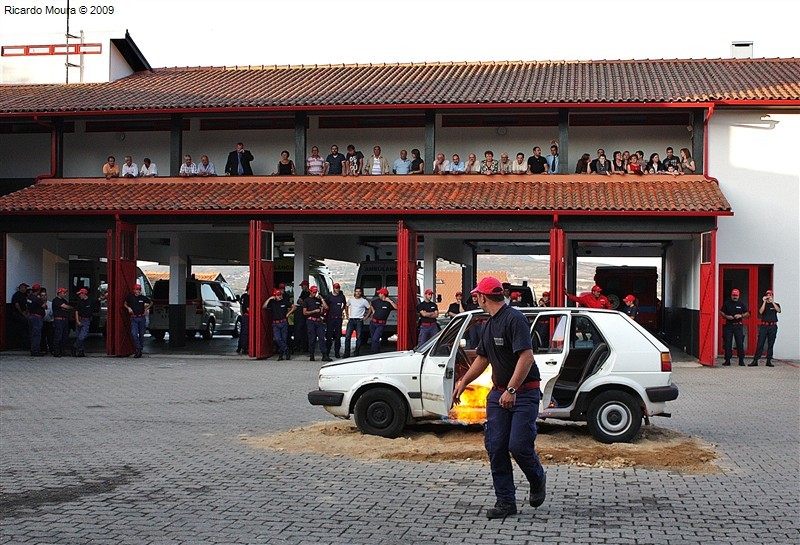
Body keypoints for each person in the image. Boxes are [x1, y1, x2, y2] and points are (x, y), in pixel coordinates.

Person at [452, 276, 546, 519]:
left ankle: (537, 478)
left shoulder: (514, 319)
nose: (476, 299)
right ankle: (506, 502)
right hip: (498, 394)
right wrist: (464, 382)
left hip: (524, 393)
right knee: (496, 446)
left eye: (477, 296)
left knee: (519, 446)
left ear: (483, 297)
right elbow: (482, 359)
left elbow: (526, 357)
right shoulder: (489, 324)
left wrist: (512, 390)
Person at [749, 289, 781, 367]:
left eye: (770, 295)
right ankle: (755, 360)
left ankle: (769, 360)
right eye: (767, 295)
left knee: (771, 343)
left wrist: (772, 302)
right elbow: (760, 311)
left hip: (773, 326)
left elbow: (779, 310)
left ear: (772, 296)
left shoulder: (776, 304)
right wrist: (764, 302)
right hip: (764, 326)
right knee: (760, 342)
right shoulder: (764, 305)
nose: (768, 296)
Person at [719, 288, 750, 366]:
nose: (734, 297)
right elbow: (721, 312)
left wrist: (741, 315)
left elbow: (747, 314)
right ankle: (727, 360)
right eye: (733, 295)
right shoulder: (727, 304)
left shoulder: (741, 304)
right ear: (731, 295)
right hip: (729, 325)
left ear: (738, 296)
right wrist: (726, 316)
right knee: (727, 343)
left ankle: (741, 360)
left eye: (736, 295)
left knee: (739, 343)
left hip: (738, 325)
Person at [263, 288, 296, 360]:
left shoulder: (284, 302)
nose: (280, 296)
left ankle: (281, 355)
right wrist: (269, 299)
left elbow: (294, 307)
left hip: (283, 322)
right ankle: (287, 350)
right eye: (278, 295)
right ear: (275, 296)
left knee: (284, 339)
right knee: (278, 339)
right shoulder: (272, 303)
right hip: (276, 324)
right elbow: (264, 306)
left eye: (280, 294)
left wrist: (288, 314)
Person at [124, 283, 152, 358]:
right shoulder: (130, 297)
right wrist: (128, 308)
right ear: (134, 290)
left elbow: (151, 302)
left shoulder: (143, 298)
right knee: (134, 333)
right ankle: (138, 348)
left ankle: (139, 349)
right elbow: (125, 304)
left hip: (142, 318)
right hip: (133, 318)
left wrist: (146, 309)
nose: (138, 291)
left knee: (142, 335)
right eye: (136, 289)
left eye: (139, 289)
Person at [343, 287, 372, 358]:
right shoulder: (351, 300)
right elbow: (346, 306)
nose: (358, 293)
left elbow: (370, 308)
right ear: (354, 292)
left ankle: (357, 352)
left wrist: (366, 317)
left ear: (361, 293)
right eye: (356, 291)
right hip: (351, 320)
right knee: (347, 337)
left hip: (359, 320)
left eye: (359, 292)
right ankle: (347, 353)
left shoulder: (364, 301)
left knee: (358, 337)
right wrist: (347, 315)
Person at [303, 285, 330, 361]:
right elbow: (304, 312)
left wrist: (321, 299)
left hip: (318, 321)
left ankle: (324, 355)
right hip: (311, 320)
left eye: (316, 292)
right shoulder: (307, 300)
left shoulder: (318, 300)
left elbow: (326, 307)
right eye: (313, 292)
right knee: (312, 338)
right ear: (310, 291)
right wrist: (313, 311)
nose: (314, 294)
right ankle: (311, 355)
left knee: (322, 338)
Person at [369, 288, 397, 354]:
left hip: (381, 324)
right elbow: (371, 304)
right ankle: (377, 350)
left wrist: (390, 301)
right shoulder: (376, 301)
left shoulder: (389, 303)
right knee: (373, 339)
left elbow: (396, 307)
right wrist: (373, 311)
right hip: (373, 322)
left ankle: (374, 353)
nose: (378, 294)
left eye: (380, 293)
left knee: (375, 338)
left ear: (383, 294)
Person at [324, 283, 347, 359]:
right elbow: (325, 305)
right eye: (336, 288)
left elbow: (345, 304)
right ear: (333, 288)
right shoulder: (329, 296)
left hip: (338, 318)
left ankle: (337, 352)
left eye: (338, 288)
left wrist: (342, 310)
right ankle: (327, 352)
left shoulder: (341, 296)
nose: (337, 290)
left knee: (338, 336)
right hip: (330, 318)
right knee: (329, 336)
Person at [72, 288, 95, 357]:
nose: (79, 296)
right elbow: (76, 311)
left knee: (82, 336)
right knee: (78, 335)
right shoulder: (79, 302)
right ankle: (81, 351)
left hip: (86, 320)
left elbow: (99, 299)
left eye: (80, 294)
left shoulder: (91, 301)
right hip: (80, 319)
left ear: (84, 294)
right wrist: (77, 321)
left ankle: (74, 346)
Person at [51, 287, 72, 357]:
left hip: (65, 320)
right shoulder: (56, 300)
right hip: (59, 320)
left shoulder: (64, 301)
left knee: (64, 336)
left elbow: (68, 307)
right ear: (59, 293)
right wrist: (66, 307)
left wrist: (66, 308)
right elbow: (67, 307)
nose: (65, 294)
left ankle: (62, 350)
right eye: (64, 293)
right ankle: (56, 351)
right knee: (58, 336)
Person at [27, 285, 47, 356]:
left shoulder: (29, 298)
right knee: (37, 335)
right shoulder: (37, 299)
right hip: (37, 318)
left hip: (31, 317)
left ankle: (33, 349)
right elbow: (45, 306)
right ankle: (35, 351)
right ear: (38, 290)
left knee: (32, 334)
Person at [11, 282, 31, 350]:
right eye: (25, 288)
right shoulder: (17, 295)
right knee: (24, 328)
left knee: (25, 328)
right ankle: (24, 344)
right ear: (21, 288)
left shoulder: (24, 295)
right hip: (18, 314)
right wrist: (22, 313)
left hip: (24, 313)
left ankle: (26, 344)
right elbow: (17, 305)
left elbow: (26, 304)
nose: (26, 289)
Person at [293, 280, 311, 353]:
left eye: (302, 286)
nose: (301, 287)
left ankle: (305, 348)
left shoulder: (309, 293)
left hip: (306, 315)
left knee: (306, 332)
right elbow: (298, 301)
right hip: (301, 314)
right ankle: (299, 346)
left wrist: (303, 303)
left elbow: (304, 303)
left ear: (306, 286)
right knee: (300, 331)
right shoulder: (303, 293)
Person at [40, 288, 55, 355]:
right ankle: (43, 349)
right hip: (41, 322)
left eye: (45, 295)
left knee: (50, 337)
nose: (44, 296)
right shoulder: (38, 303)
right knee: (42, 336)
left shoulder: (50, 304)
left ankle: (51, 349)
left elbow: (53, 313)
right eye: (42, 295)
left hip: (49, 322)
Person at [236, 283, 250, 355]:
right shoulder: (248, 297)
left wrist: (242, 315)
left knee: (242, 332)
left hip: (244, 316)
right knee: (246, 333)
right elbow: (248, 309)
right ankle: (245, 347)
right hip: (248, 317)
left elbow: (241, 307)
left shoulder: (243, 296)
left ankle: (240, 347)